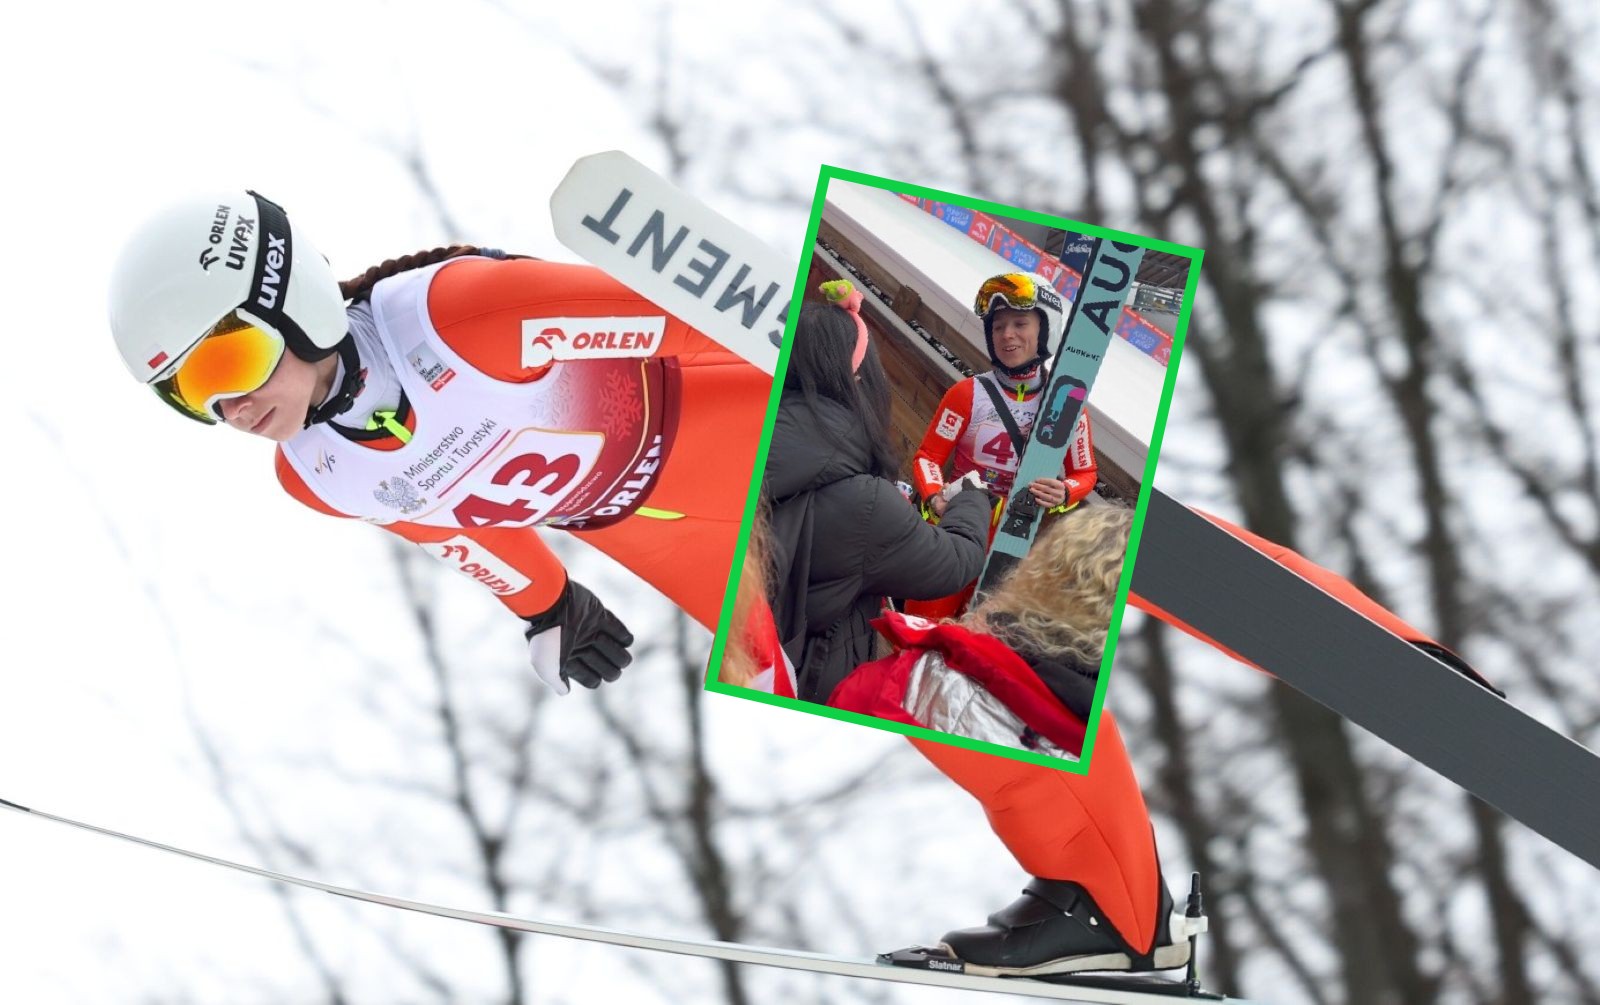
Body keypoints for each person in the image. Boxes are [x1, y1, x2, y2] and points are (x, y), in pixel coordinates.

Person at [108, 190, 768, 694]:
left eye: (229, 364)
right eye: (193, 391)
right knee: (815, 675)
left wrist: (799, 340)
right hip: (669, 540)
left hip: (759, 432)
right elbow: (454, 529)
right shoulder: (317, 476)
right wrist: (549, 605)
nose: (233, 406)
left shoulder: (455, 315)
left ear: (290, 301)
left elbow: (676, 314)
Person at [762, 280, 994, 703]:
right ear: (856, 376)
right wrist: (971, 498)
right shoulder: (865, 501)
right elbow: (955, 559)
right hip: (804, 681)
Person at [905, 271, 1100, 620]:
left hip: (1014, 546)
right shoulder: (967, 393)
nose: (1007, 335)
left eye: (1020, 323)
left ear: (1045, 329)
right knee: (921, 629)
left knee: (979, 646)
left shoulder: (1067, 404)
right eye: (998, 326)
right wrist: (936, 497)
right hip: (957, 534)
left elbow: (1084, 472)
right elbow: (927, 458)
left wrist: (1064, 492)